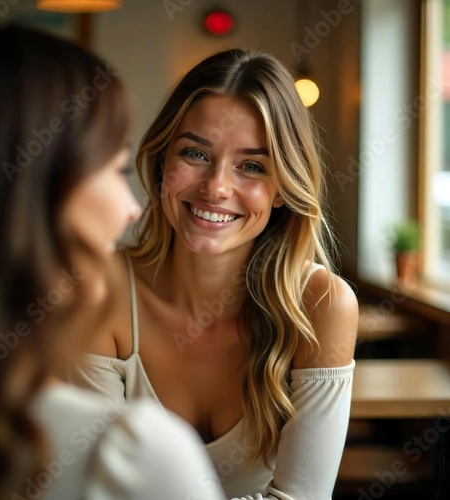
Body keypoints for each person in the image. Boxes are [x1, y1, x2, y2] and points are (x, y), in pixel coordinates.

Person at [0, 23, 226, 500]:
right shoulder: (131, 454)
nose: (131, 207)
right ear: (35, 197)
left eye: (252, 164)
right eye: (116, 169)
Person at [71, 48, 359, 500]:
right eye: (195, 153)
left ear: (282, 188)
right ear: (162, 162)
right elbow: (90, 489)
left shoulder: (323, 305)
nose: (216, 187)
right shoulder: (98, 289)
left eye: (251, 166)